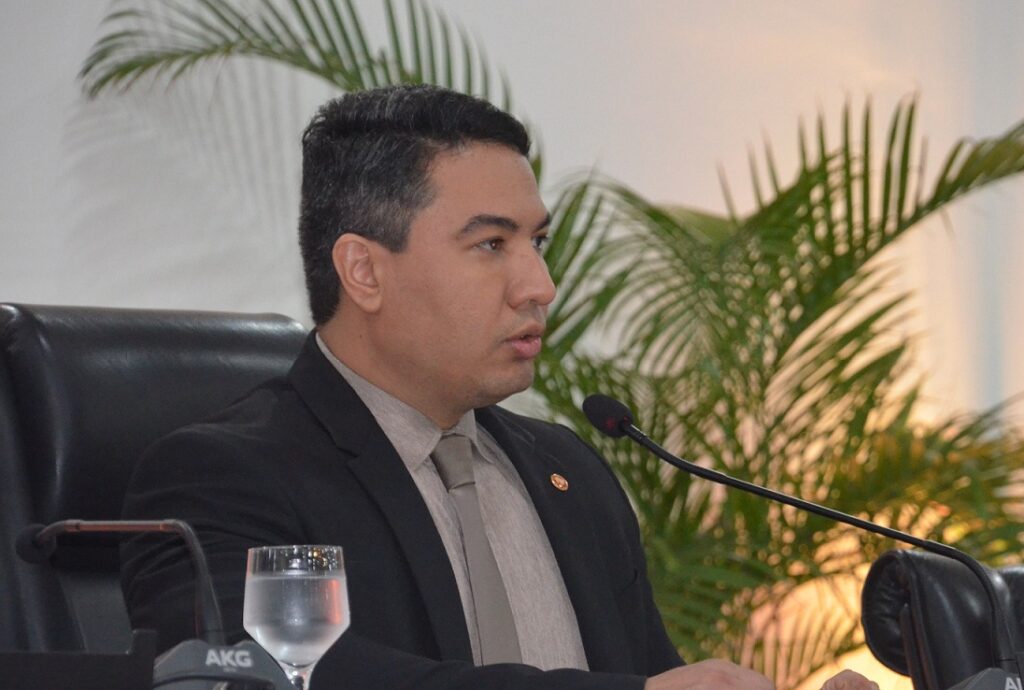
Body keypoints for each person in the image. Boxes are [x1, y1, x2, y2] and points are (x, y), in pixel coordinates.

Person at [121, 85, 876, 690]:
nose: (539, 285)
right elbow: (294, 678)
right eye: (491, 244)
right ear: (364, 271)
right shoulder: (230, 479)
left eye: (536, 242)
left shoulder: (568, 475)